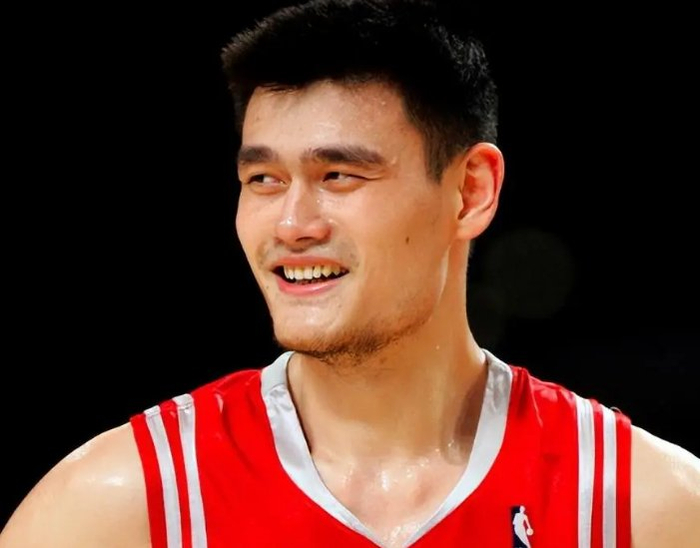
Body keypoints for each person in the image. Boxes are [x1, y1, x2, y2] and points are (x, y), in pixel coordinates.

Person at [2, 0, 699, 546]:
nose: (291, 224)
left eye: (338, 174)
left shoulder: (647, 509)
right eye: (264, 179)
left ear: (470, 192)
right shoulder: (116, 508)